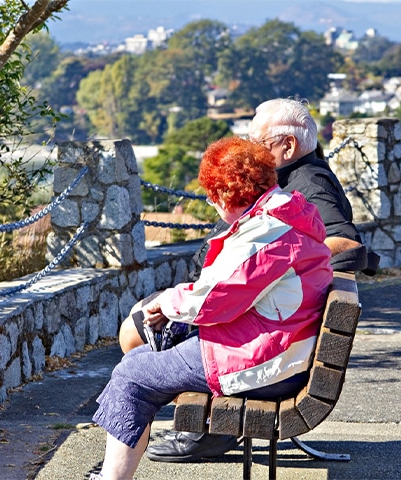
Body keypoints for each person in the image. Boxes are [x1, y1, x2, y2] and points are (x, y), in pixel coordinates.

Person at [141, 98, 378, 463]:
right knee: (144, 325)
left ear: (288, 146)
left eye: (259, 142)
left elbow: (344, 240)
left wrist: (278, 271)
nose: (251, 150)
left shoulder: (309, 181)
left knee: (136, 331)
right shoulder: (288, 178)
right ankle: (201, 425)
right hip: (239, 313)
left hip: (257, 337)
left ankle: (203, 429)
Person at [89, 136, 333, 480]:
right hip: (281, 348)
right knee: (137, 362)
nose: (209, 200)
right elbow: (231, 287)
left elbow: (212, 300)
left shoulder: (267, 232)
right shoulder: (288, 214)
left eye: (212, 193)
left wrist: (167, 301)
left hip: (267, 364)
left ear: (226, 194)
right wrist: (177, 302)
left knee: (132, 375)